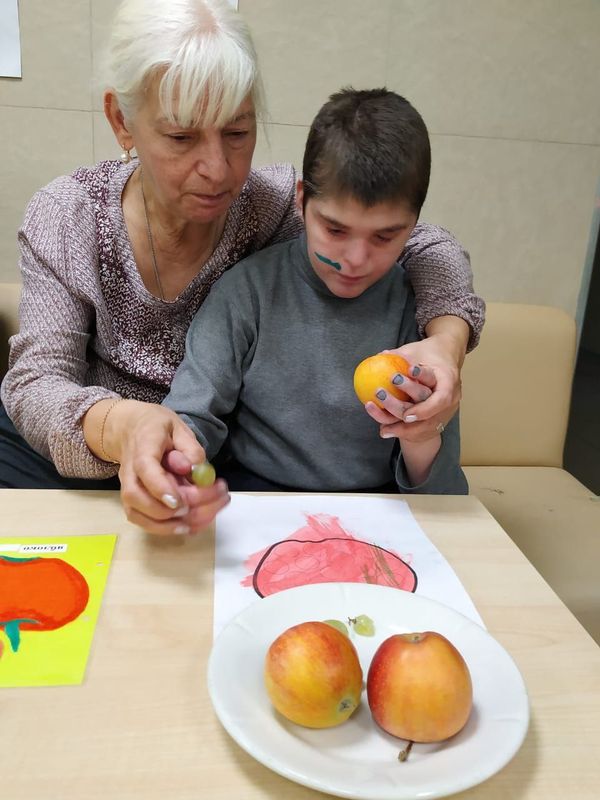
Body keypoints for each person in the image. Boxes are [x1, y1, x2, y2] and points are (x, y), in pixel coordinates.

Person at [0, 0, 482, 534]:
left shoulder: (270, 206)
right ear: (122, 121)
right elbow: (37, 382)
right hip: (84, 446)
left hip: (200, 459)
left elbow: (426, 245)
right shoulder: (70, 215)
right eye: (181, 137)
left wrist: (446, 344)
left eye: (237, 132)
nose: (217, 169)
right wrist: (126, 426)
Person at [161, 87, 468, 511]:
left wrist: (421, 435)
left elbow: (444, 497)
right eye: (335, 230)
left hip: (380, 508)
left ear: (414, 224)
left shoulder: (422, 311)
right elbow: (192, 417)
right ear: (302, 199)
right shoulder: (246, 291)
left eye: (385, 236)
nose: (355, 260)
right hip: (256, 497)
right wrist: (178, 466)